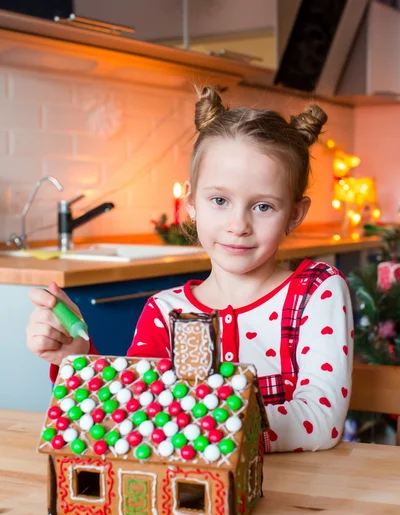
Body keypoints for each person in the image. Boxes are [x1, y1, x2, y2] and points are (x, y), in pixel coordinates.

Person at [26, 86, 353, 453]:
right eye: (219, 200)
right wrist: (78, 356)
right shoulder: (165, 311)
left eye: (263, 207)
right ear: (192, 202)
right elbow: (134, 414)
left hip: (307, 498)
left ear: (294, 214)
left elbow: (322, 421)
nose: (238, 224)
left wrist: (206, 424)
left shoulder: (318, 292)